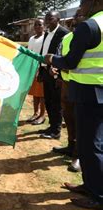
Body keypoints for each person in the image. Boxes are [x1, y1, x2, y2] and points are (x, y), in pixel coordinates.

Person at [46, 0, 103, 210]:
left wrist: (51, 59)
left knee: (92, 146)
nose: (81, 5)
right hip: (98, 91)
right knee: (92, 143)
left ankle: (98, 196)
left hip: (89, 92)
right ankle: (90, 185)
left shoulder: (89, 27)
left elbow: (70, 62)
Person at [38, 11, 69, 139]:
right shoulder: (47, 32)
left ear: (58, 19)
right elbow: (44, 52)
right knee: (48, 100)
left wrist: (57, 70)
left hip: (55, 72)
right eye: (46, 19)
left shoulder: (64, 33)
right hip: (45, 71)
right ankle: (51, 125)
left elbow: (63, 54)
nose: (47, 21)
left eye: (50, 19)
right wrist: (40, 69)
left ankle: (56, 130)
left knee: (56, 101)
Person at [26, 19, 46, 125]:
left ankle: (42, 115)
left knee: (42, 93)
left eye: (40, 25)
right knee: (35, 93)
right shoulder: (31, 39)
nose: (38, 26)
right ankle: (35, 113)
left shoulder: (45, 38)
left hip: (41, 68)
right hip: (33, 68)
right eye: (36, 25)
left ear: (44, 26)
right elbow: (29, 53)